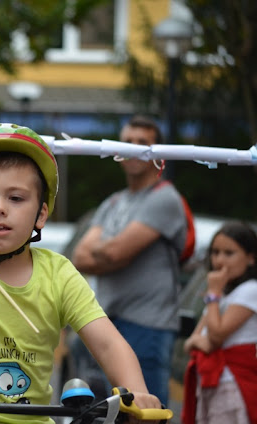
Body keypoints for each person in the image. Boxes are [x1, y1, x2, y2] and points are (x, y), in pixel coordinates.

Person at [0, 123, 160, 423]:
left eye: (16, 198)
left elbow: (107, 343)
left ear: (41, 214)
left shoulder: (58, 274)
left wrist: (138, 393)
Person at [71, 115, 187, 406]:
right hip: (109, 322)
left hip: (148, 325)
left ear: (159, 152)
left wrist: (108, 251)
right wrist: (111, 253)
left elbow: (113, 253)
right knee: (105, 413)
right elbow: (80, 257)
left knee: (146, 411)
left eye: (143, 144)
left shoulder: (165, 198)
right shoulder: (113, 202)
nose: (134, 149)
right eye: (128, 142)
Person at [181, 221, 257, 424]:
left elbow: (214, 337)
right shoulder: (223, 293)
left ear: (250, 258)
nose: (219, 260)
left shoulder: (250, 290)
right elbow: (192, 342)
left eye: (229, 253)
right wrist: (202, 342)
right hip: (209, 383)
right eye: (215, 253)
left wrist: (213, 295)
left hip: (233, 385)